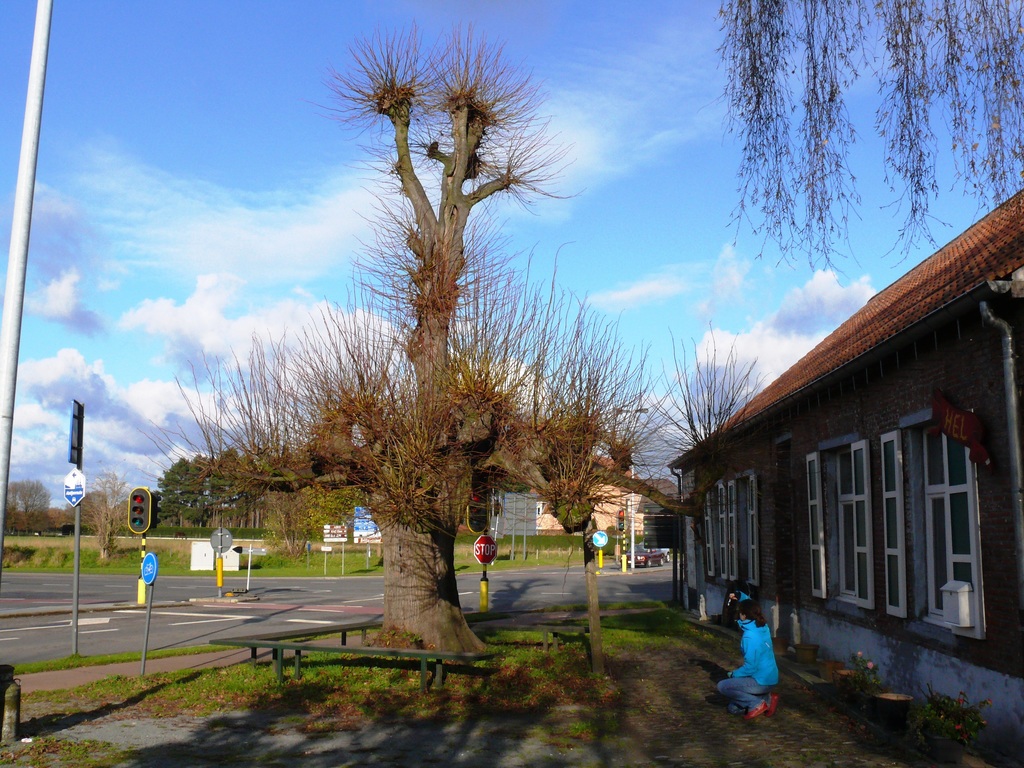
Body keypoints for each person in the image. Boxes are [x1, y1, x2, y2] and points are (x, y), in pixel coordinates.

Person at [717, 593, 780, 719]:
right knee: (733, 708)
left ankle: (756, 703)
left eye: (740, 612)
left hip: (761, 681)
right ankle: (767, 698)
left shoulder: (750, 637)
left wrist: (733, 674)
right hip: (771, 678)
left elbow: (750, 667)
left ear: (744, 615)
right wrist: (740, 596)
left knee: (722, 686)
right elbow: (752, 605)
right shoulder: (762, 626)